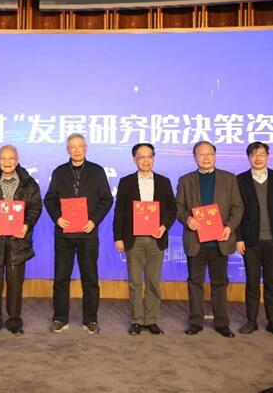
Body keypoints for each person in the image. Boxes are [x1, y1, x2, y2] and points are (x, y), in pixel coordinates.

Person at [44, 133, 113, 334]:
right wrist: (57, 218)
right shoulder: (59, 172)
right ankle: (60, 318)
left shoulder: (97, 171)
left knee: (90, 278)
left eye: (79, 146)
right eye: (72, 147)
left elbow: (107, 200)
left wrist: (94, 221)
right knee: (61, 278)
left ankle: (90, 319)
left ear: (86, 148)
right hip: (64, 234)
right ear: (67, 149)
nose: (76, 150)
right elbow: (49, 199)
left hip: (88, 233)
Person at [176, 141, 244, 338]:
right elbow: (178, 207)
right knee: (195, 283)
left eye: (209, 154)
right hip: (195, 241)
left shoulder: (229, 179)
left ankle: (222, 323)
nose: (205, 158)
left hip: (220, 241)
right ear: (194, 157)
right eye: (201, 154)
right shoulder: (185, 180)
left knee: (220, 283)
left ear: (215, 156)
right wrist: (188, 219)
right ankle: (196, 322)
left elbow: (238, 207)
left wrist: (229, 227)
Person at [0, 145, 43, 335]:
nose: (7, 162)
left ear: (17, 160)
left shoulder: (29, 184)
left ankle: (14, 321)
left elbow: (36, 207)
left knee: (15, 285)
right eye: (3, 158)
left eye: (11, 158)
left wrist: (27, 225)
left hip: (18, 242)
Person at [113, 143, 177, 335]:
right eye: (141, 157)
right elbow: (120, 211)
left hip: (157, 238)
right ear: (135, 159)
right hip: (133, 239)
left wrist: (164, 226)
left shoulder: (164, 182)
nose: (146, 160)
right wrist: (118, 237)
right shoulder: (126, 182)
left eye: (149, 156)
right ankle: (136, 320)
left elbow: (172, 209)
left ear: (153, 158)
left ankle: (151, 319)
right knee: (135, 282)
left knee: (153, 282)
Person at [236, 142, 273, 337]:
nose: (258, 158)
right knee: (252, 283)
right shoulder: (240, 180)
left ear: (268, 156)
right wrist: (239, 238)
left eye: (261, 154)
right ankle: (251, 321)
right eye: (253, 154)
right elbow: (236, 211)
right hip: (250, 241)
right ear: (248, 158)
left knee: (271, 283)